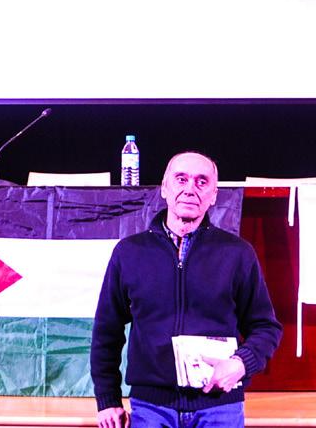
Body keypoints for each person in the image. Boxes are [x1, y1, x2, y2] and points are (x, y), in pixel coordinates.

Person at [90, 152, 282, 428]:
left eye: (202, 182)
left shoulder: (238, 253)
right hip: (151, 409)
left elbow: (266, 327)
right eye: (181, 179)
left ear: (214, 195)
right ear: (164, 188)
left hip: (220, 408)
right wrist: (107, 399)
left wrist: (241, 363)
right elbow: (106, 331)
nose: (190, 189)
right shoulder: (129, 252)